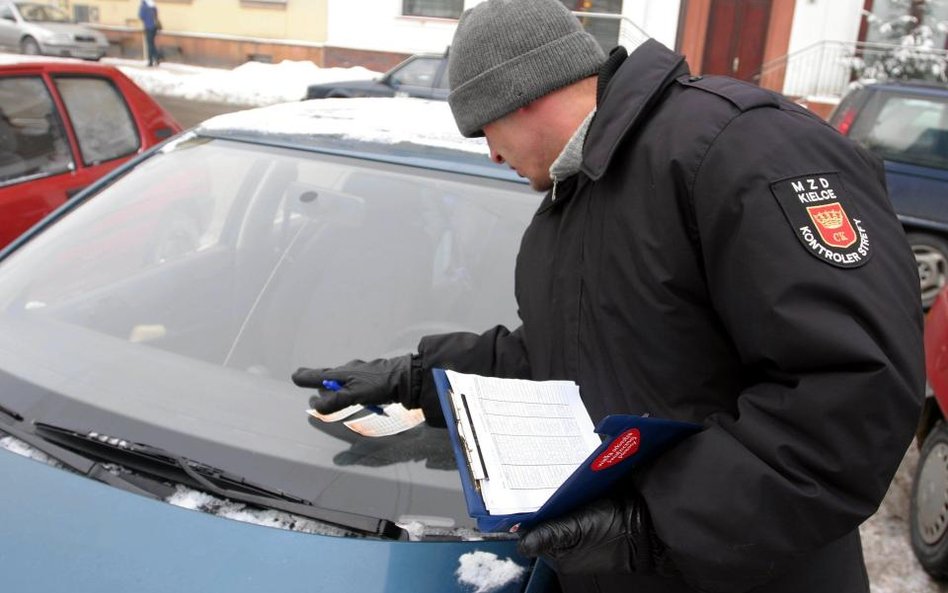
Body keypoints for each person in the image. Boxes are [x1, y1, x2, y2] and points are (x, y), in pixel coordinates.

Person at [292, 1, 925, 591]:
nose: (490, 154)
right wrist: (419, 378)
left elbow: (851, 393)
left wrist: (653, 523)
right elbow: (566, 361)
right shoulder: (579, 198)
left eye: (484, 129)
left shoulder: (737, 149)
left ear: (521, 96)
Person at [138, 0, 161, 67]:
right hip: (155, 27)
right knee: (152, 43)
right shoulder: (153, 5)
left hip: (148, 27)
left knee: (149, 44)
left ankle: (151, 61)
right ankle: (156, 58)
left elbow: (141, 16)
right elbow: (156, 15)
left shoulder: (143, 6)